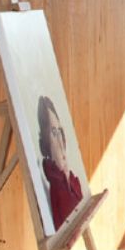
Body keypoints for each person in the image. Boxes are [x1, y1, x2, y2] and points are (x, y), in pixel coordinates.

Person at [37, 96, 82, 230]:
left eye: (60, 132)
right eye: (54, 133)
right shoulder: (57, 184)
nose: (61, 142)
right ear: (46, 143)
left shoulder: (67, 177)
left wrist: (68, 177)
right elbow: (69, 222)